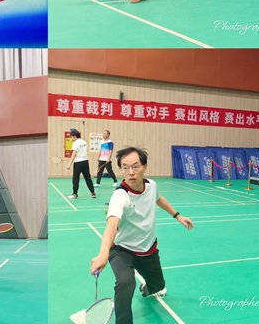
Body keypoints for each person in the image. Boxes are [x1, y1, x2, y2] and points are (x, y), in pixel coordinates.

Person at [90, 147, 194, 324]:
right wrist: (103, 254)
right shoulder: (120, 196)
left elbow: (159, 199)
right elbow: (111, 225)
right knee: (125, 282)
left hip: (148, 249)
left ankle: (146, 287)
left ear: (145, 167)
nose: (130, 172)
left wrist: (177, 215)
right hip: (122, 250)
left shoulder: (151, 186)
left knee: (159, 286)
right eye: (125, 168)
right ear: (121, 170)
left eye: (135, 166)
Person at [66, 128, 95, 199]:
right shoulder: (84, 142)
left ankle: (75, 194)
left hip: (78, 163)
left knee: (75, 178)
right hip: (85, 162)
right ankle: (93, 193)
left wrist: (69, 163)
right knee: (88, 178)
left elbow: (74, 153)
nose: (71, 138)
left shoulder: (75, 143)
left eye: (71, 136)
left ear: (74, 136)